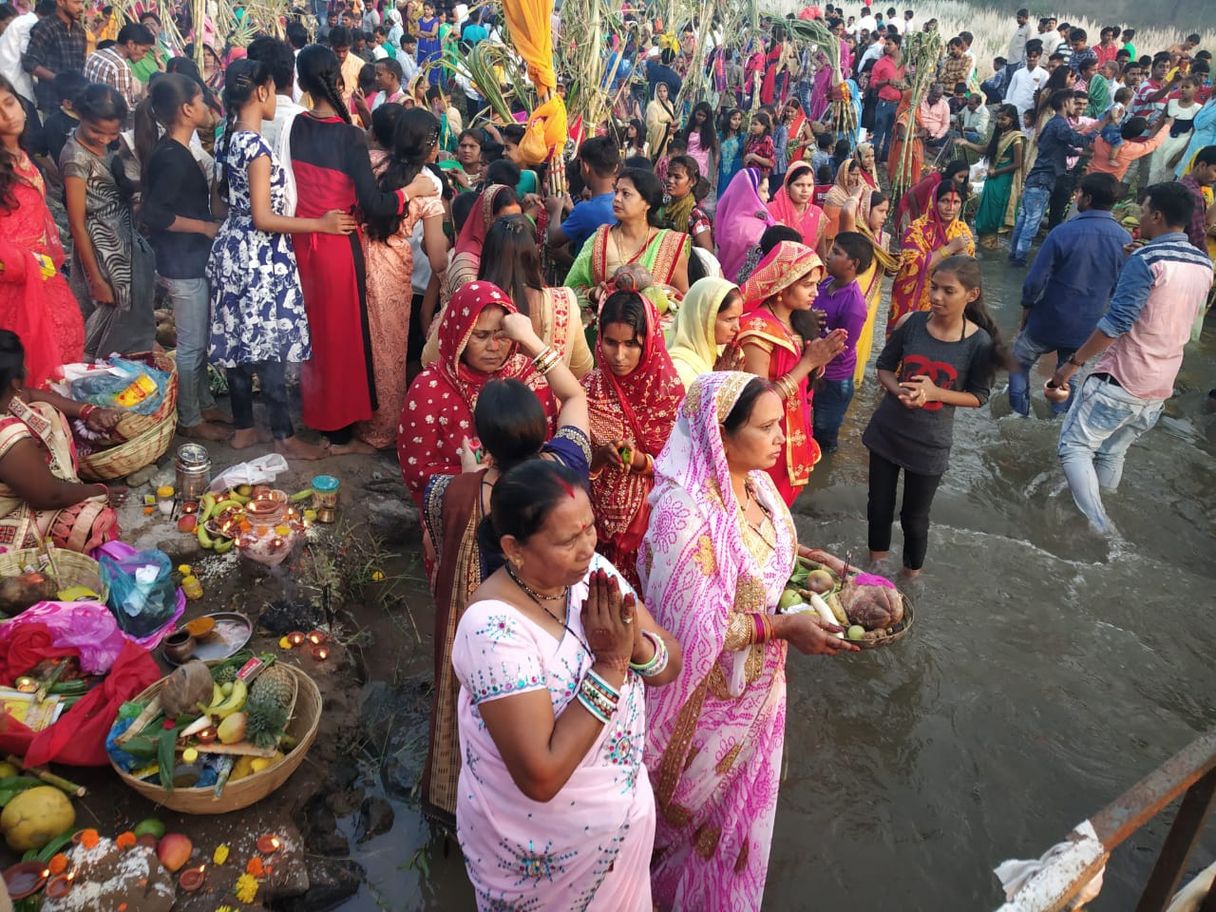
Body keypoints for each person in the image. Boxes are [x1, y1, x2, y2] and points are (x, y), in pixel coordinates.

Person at [640, 371, 858, 911]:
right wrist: (782, 627)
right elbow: (694, 629)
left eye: (779, 424)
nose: (782, 437)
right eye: (766, 428)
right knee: (685, 826)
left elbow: (764, 555)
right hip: (705, 701)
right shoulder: (683, 513)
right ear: (720, 435)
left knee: (737, 825)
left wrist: (810, 562)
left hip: (761, 689)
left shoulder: (758, 485)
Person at [451, 458, 680, 910]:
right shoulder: (492, 628)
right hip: (542, 864)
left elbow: (669, 663)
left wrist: (635, 648)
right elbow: (542, 774)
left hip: (620, 827)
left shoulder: (592, 573)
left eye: (590, 527)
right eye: (567, 539)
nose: (587, 545)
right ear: (514, 548)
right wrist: (612, 663)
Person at [420, 311, 591, 828]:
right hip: (560, 618)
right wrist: (530, 340)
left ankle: (472, 800)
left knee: (497, 728)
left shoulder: (450, 493)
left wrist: (472, 477)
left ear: (481, 437)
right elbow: (576, 397)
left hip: (495, 630)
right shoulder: (565, 468)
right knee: (556, 719)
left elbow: (438, 535)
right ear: (542, 429)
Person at [290, 44, 435, 453]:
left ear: (301, 83)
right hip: (338, 242)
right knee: (340, 337)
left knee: (314, 334)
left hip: (303, 239)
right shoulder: (349, 135)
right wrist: (411, 191)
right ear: (340, 79)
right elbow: (375, 203)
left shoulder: (295, 127)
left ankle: (319, 416)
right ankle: (337, 427)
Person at [209, 58, 355, 458]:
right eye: (273, 90)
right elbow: (263, 217)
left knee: (239, 340)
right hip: (259, 256)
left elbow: (224, 203)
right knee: (267, 345)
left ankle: (243, 428)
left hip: (232, 248)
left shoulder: (228, 136)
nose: (276, 98)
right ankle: (282, 436)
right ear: (261, 92)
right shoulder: (255, 148)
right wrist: (321, 224)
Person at [1051, 184, 1213, 534]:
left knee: (1074, 448)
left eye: (1143, 209)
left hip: (1122, 378)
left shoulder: (1146, 261)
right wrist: (1138, 259)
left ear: (1157, 216)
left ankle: (1099, 525)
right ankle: (1097, 513)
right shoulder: (1203, 263)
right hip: (1159, 386)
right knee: (1111, 453)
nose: (1139, 215)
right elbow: (1169, 306)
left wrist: (1072, 365)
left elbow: (1116, 323)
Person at [865, 256, 1002, 575]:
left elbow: (979, 396)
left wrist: (935, 393)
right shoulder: (912, 323)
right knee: (878, 507)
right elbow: (884, 366)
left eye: (948, 291)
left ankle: (911, 581)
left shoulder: (979, 343)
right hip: (887, 431)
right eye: (934, 287)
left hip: (930, 443)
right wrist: (899, 390)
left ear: (972, 295)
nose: (937, 296)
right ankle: (873, 574)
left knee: (915, 518)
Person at [398, 281, 559, 505]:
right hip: (458, 505)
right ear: (459, 335)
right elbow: (417, 471)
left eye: (502, 335)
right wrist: (472, 478)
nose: (493, 347)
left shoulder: (527, 377)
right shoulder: (430, 388)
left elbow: (548, 446)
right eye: (481, 336)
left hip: (524, 501)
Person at [134, 73, 229, 442]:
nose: (208, 108)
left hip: (188, 260)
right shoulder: (172, 157)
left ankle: (202, 402)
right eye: (203, 101)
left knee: (198, 340)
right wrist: (204, 228)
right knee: (190, 346)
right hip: (181, 263)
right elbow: (155, 214)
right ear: (187, 110)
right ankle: (190, 419)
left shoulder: (175, 150)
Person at [358, 104, 447, 449]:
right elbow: (437, 255)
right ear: (431, 146)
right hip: (392, 269)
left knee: (358, 341)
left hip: (355, 258)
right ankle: (382, 431)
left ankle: (350, 420)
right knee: (388, 352)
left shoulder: (372, 163)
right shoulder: (429, 185)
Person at [583, 288, 682, 590]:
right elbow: (567, 463)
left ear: (648, 342)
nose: (619, 355)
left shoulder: (669, 393)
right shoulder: (586, 391)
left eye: (631, 344)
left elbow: (682, 466)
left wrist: (638, 461)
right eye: (610, 343)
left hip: (653, 534)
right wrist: (601, 457)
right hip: (594, 533)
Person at [734, 242, 846, 505]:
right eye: (807, 285)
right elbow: (759, 400)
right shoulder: (757, 331)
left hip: (794, 431)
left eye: (817, 284)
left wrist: (818, 363)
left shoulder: (798, 320)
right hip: (767, 437)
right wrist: (807, 364)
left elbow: (798, 372)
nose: (815, 293)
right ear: (783, 287)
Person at [1010, 173, 1129, 418]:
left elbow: (1034, 282)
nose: (1076, 196)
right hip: (1086, 327)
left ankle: (1017, 416)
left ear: (1087, 198)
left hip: (1048, 320)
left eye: (1079, 193)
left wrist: (1026, 311)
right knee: (1069, 377)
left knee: (1018, 365)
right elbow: (1120, 290)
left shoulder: (1063, 232)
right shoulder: (1125, 240)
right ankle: (1059, 419)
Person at [0, 331, 123, 553]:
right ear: (13, 380)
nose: (27, 370)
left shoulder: (9, 397)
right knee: (89, 522)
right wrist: (96, 490)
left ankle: (45, 478)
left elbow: (26, 395)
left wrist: (87, 411)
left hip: (28, 480)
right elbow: (49, 496)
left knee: (43, 411)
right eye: (23, 366)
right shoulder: (8, 433)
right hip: (12, 517)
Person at [61, 84, 155, 360]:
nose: (104, 139)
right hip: (100, 253)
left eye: (112, 134)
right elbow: (77, 223)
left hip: (123, 243)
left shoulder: (106, 148)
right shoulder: (75, 158)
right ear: (78, 115)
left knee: (130, 317)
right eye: (96, 132)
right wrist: (96, 279)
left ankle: (131, 376)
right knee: (107, 319)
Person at [0, 75, 82, 388]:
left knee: (62, 345)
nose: (8, 116)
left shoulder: (22, 156)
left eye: (10, 103)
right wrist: (25, 263)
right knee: (26, 370)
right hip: (13, 283)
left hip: (42, 274)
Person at [479, 214, 593, 377]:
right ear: (536, 252)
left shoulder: (469, 302)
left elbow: (432, 359)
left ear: (486, 256)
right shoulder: (563, 302)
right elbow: (582, 370)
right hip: (552, 399)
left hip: (483, 401)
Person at [564, 167, 691, 312]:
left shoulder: (670, 244)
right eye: (616, 191)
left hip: (654, 332)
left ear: (647, 203)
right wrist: (593, 294)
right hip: (605, 330)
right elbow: (571, 289)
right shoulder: (601, 238)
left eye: (626, 194)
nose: (616, 199)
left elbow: (683, 299)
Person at [1008, 90, 1094, 266]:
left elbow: (1063, 148)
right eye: (1073, 102)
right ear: (1064, 104)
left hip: (1036, 178)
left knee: (1025, 219)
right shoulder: (1059, 124)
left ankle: (1014, 254)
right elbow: (1075, 140)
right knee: (1032, 222)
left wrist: (1082, 150)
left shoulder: (1053, 124)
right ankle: (1020, 258)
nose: (1075, 106)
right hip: (1043, 180)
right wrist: (1096, 130)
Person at [887, 180, 974, 335]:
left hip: (944, 302)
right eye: (945, 201)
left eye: (956, 202)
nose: (950, 208)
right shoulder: (916, 229)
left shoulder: (963, 232)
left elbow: (968, 272)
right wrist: (949, 249)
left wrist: (962, 253)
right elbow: (915, 265)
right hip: (911, 298)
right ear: (934, 200)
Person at [812, 231, 872, 452]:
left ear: (853, 264)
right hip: (816, 368)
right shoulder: (827, 282)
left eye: (836, 252)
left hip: (833, 379)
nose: (828, 255)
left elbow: (841, 350)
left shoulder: (854, 307)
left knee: (824, 431)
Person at [838, 188, 896, 384]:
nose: (884, 217)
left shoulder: (884, 239)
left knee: (861, 349)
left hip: (870, 304)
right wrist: (857, 194)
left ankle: (854, 386)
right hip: (849, 302)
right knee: (845, 346)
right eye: (880, 211)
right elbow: (846, 211)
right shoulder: (856, 235)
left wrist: (894, 266)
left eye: (887, 212)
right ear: (865, 208)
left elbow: (883, 269)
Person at [961, 105, 1026, 249]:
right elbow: (986, 149)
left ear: (1012, 119)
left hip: (1003, 179)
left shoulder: (1016, 137)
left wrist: (997, 172)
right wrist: (966, 143)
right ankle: (985, 243)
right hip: (993, 176)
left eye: (1004, 119)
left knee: (994, 210)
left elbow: (1017, 163)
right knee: (986, 208)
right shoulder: (1000, 134)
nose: (1000, 122)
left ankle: (990, 244)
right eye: (998, 119)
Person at [547, 136, 620, 258]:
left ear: (586, 167)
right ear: (615, 167)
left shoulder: (585, 210)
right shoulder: (621, 202)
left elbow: (553, 240)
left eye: (580, 164)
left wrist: (556, 210)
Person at [666, 277, 744, 389]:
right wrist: (720, 382)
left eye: (738, 318)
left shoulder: (726, 354)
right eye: (729, 319)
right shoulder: (680, 370)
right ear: (703, 319)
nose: (737, 328)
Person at [447, 183, 520, 294]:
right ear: (487, 219)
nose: (515, 229)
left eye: (519, 221)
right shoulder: (466, 265)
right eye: (505, 222)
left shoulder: (515, 251)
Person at [714, 167, 777, 282]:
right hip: (749, 286)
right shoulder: (755, 226)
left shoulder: (729, 219)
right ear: (750, 191)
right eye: (763, 191)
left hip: (724, 282)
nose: (768, 196)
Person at [21, 0, 84, 113]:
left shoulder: (79, 30)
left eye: (82, 3)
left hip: (76, 103)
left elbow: (81, 64)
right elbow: (30, 63)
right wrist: (58, 79)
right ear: (60, 2)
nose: (81, 8)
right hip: (51, 101)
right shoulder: (45, 27)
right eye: (76, 2)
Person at [81, 21, 151, 123]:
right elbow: (125, 111)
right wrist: (144, 101)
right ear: (131, 44)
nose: (144, 56)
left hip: (88, 116)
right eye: (143, 50)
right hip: (106, 121)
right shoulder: (120, 67)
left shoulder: (95, 54)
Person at [1148, 76, 1201, 185]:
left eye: (1187, 87)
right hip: (1163, 140)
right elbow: (1159, 123)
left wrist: (1180, 154)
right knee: (1154, 172)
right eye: (1182, 86)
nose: (1183, 89)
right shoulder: (1171, 103)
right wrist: (1150, 142)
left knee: (1168, 175)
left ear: (1196, 88)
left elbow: (1193, 135)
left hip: (1180, 143)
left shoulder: (1198, 108)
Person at [766, 160, 826, 252]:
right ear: (787, 187)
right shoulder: (771, 210)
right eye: (799, 185)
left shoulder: (818, 214)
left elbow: (821, 251)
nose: (805, 190)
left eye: (809, 185)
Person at [660, 154, 713, 251]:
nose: (670, 180)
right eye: (669, 175)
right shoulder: (667, 207)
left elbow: (708, 257)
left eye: (677, 177)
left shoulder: (695, 216)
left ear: (692, 181)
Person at [871, 35, 905, 163]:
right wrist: (888, 82)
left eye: (889, 44)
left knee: (892, 134)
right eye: (885, 44)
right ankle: (873, 159)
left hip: (899, 104)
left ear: (898, 45)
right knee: (878, 132)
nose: (886, 46)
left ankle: (886, 158)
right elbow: (873, 83)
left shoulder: (904, 63)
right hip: (884, 103)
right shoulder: (881, 63)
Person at [1179, 145, 1216, 256]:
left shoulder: (1181, 184)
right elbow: (1197, 236)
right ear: (1202, 165)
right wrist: (1204, 260)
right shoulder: (1194, 195)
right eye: (1215, 170)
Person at [1005, 39, 1046, 120]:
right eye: (1029, 56)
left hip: (1029, 111)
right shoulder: (1018, 73)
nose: (1031, 59)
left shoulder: (1043, 74)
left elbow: (1042, 95)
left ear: (1039, 57)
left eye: (1034, 57)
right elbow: (1010, 91)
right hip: (1015, 108)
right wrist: (1008, 106)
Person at [646, 81, 677, 162]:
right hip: (657, 139)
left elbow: (671, 120)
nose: (662, 93)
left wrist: (673, 128)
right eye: (659, 91)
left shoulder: (670, 104)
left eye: (664, 91)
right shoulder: (653, 105)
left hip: (669, 137)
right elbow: (652, 124)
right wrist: (666, 128)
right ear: (656, 92)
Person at [717, 107, 744, 196]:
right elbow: (717, 155)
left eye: (739, 119)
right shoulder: (720, 136)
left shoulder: (742, 137)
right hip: (723, 171)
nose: (737, 122)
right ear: (728, 120)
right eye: (734, 119)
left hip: (736, 170)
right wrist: (714, 176)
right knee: (722, 193)